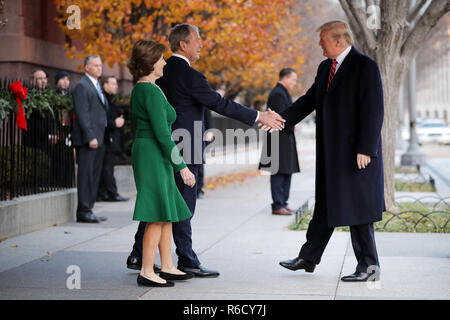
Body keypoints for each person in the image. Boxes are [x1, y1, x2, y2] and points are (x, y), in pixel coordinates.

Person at [127, 23, 285, 278]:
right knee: (182, 207)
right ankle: (186, 259)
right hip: (182, 148)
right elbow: (219, 104)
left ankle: (139, 255)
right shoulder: (188, 75)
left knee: (159, 205)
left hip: (161, 148)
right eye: (197, 40)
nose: (201, 45)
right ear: (183, 44)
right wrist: (259, 116)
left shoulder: (158, 75)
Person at [278, 20, 384, 282]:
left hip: (356, 155)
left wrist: (366, 149)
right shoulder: (326, 67)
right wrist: (280, 120)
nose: (319, 45)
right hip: (331, 155)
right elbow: (308, 101)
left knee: (358, 212)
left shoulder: (365, 66)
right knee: (325, 206)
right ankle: (309, 257)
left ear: (338, 41)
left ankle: (369, 268)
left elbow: (373, 110)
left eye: (322, 40)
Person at [127, 40, 195, 287]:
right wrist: (182, 167)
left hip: (153, 152)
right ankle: (147, 270)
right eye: (161, 59)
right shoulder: (149, 90)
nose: (165, 62)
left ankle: (167, 266)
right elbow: (162, 134)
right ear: (150, 62)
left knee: (166, 213)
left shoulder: (147, 88)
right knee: (157, 213)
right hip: (153, 153)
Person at [71, 54, 109, 223]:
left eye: (100, 65)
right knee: (86, 175)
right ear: (86, 67)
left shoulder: (96, 85)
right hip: (90, 140)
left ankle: (89, 209)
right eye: (95, 65)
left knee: (94, 175)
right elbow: (82, 114)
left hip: (99, 138)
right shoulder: (82, 86)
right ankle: (83, 211)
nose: (99, 68)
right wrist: (90, 136)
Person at [259, 68, 300, 215]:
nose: (295, 83)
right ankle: (277, 205)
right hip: (277, 140)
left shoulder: (282, 92)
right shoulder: (277, 94)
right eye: (293, 80)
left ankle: (283, 202)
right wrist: (291, 124)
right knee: (278, 172)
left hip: (284, 139)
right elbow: (279, 119)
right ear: (285, 78)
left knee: (286, 171)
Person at [97, 76, 129, 202]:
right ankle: (111, 193)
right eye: (113, 83)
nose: (116, 86)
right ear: (105, 85)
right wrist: (115, 123)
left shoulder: (110, 99)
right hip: (106, 137)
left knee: (107, 167)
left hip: (110, 137)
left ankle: (105, 192)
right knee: (107, 167)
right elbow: (102, 120)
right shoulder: (104, 99)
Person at [197, 108, 214, 199]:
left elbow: (207, 112)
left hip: (200, 133)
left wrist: (210, 130)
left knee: (199, 163)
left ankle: (199, 189)